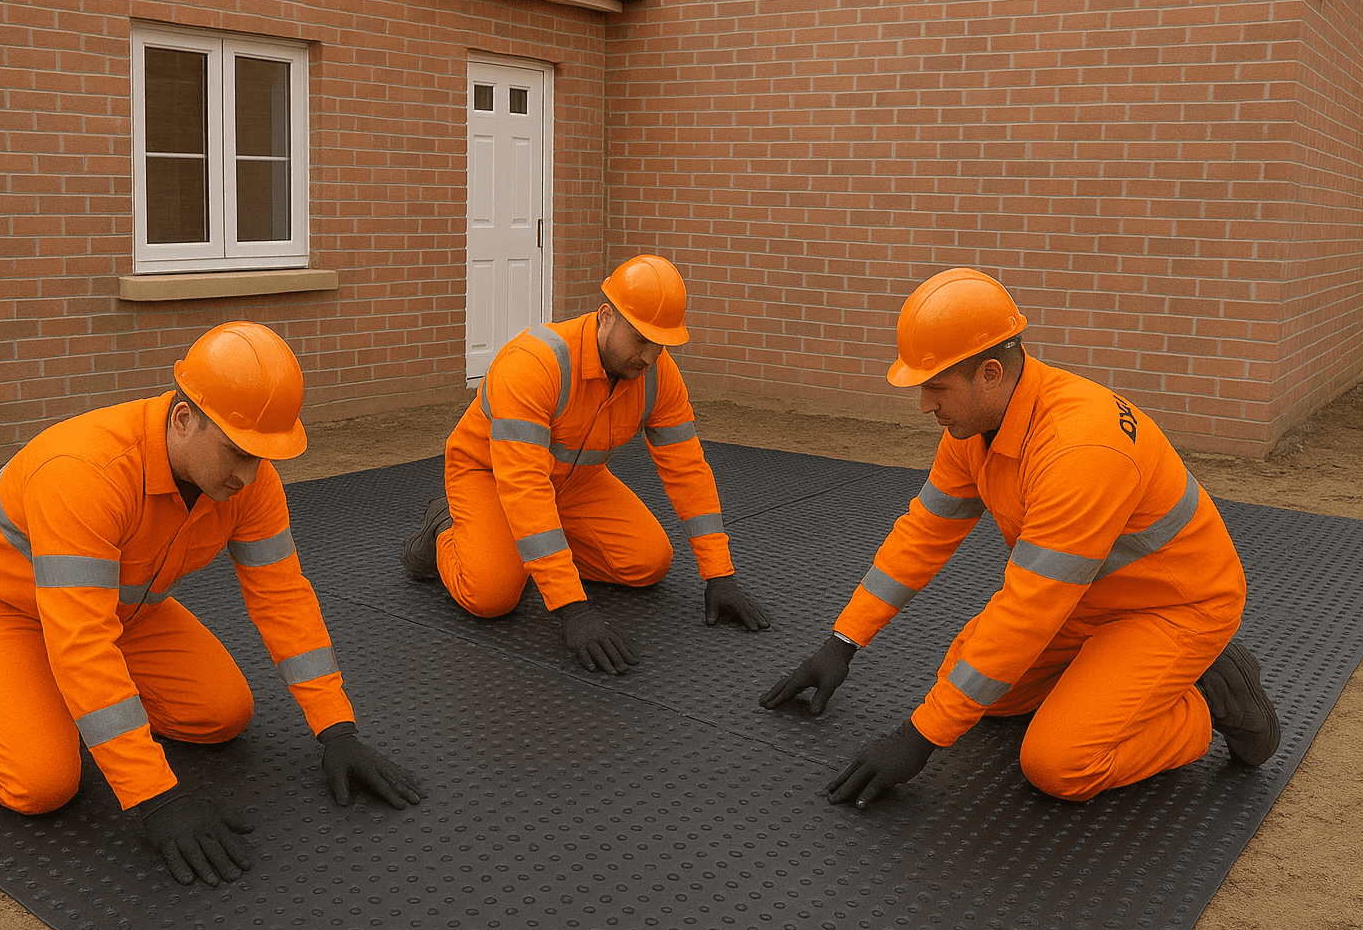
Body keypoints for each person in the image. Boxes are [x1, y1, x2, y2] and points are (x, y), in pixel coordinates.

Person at [0, 322, 424, 886]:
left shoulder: (249, 483)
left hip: (115, 608)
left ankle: (34, 691)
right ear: (184, 419)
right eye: (238, 453)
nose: (249, 475)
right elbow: (82, 643)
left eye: (263, 456)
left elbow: (283, 596)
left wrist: (336, 729)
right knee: (41, 783)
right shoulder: (84, 473)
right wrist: (155, 796)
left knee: (221, 714)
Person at [759, 268, 1280, 807]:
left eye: (936, 387)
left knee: (1058, 764)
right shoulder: (975, 428)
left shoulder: (1080, 451)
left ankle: (1203, 701)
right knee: (982, 693)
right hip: (1083, 598)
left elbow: (1028, 610)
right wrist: (842, 643)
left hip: (1173, 608)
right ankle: (1112, 680)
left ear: (990, 373)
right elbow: (923, 534)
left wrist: (919, 738)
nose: (924, 404)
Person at [401, 254, 770, 673]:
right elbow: (525, 487)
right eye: (640, 339)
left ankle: (528, 553)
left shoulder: (657, 376)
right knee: (492, 595)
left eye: (661, 344)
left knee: (648, 562)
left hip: (575, 483)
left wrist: (719, 574)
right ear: (606, 316)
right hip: (491, 476)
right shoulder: (534, 364)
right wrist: (571, 607)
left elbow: (688, 470)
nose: (650, 357)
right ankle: (443, 529)